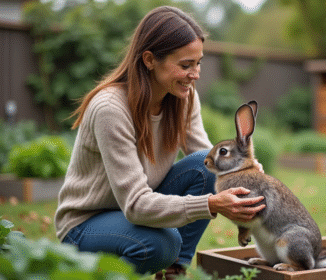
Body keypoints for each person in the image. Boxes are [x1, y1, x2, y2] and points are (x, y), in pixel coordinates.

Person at [54, 5, 265, 279]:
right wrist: (211, 204)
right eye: (185, 65)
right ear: (150, 59)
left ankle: (173, 271)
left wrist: (243, 173)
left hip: (135, 213)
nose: (196, 74)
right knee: (162, 244)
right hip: (86, 225)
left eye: (198, 63)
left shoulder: (183, 96)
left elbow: (206, 159)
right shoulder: (111, 109)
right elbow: (135, 204)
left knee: (206, 167)